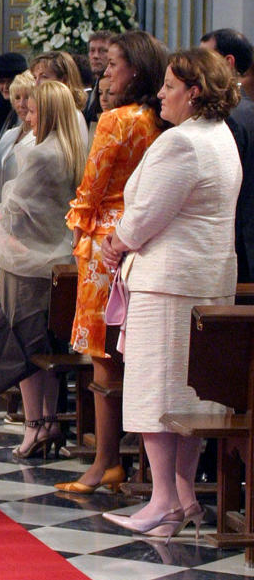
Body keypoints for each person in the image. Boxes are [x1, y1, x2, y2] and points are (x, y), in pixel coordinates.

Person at [101, 49, 242, 538]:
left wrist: (115, 243)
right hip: (206, 282)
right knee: (188, 397)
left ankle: (163, 501)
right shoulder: (221, 136)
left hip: (168, 285)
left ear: (194, 91)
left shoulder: (181, 143)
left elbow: (144, 217)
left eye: (168, 86)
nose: (160, 94)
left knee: (157, 392)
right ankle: (181, 497)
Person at [54, 29, 168, 496]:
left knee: (102, 359)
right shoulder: (158, 119)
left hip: (105, 245)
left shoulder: (117, 120)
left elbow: (92, 185)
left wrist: (78, 225)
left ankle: (105, 462)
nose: (104, 72)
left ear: (136, 70)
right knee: (129, 355)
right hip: (144, 242)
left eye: (113, 65)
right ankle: (128, 463)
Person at [0, 80, 86, 459]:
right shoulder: (74, 147)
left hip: (27, 260)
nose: (29, 114)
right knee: (47, 346)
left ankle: (33, 425)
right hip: (60, 260)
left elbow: (13, 203)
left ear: (50, 112)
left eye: (35, 108)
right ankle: (51, 421)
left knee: (22, 346)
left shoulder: (42, 154)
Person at [200, 28, 254, 281]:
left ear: (228, 62)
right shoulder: (246, 111)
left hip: (237, 242)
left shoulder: (230, 118)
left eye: (204, 58)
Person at [0, 69, 35, 212]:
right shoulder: (9, 135)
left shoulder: (40, 137)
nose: (22, 104)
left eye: (28, 97)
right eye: (17, 97)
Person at [30, 50, 89, 147]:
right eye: (34, 77)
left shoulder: (72, 115)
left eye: (44, 77)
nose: (36, 84)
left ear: (64, 81)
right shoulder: (48, 111)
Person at [0, 51, 28, 136]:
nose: (5, 87)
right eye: (1, 82)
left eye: (11, 81)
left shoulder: (27, 111)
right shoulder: (9, 112)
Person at [84, 30, 112, 125]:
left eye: (102, 51)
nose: (95, 56)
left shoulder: (117, 90)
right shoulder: (90, 88)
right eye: (92, 51)